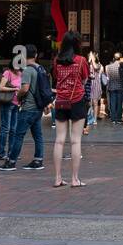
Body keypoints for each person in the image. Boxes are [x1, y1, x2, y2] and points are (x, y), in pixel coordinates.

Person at [0, 45, 49, 172]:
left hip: (28, 107)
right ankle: (38, 160)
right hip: (38, 107)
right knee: (38, 135)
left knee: (18, 135)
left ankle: (11, 161)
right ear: (36, 55)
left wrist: (19, 95)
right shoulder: (40, 68)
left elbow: (25, 88)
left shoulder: (27, 70)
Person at [51, 31, 89, 187]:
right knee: (75, 141)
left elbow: (55, 78)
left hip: (60, 101)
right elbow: (85, 79)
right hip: (77, 100)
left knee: (59, 140)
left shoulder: (57, 61)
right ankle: (75, 179)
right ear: (77, 44)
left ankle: (58, 178)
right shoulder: (81, 61)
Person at [0, 58, 23, 162]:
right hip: (8, 103)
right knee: (5, 128)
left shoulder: (20, 73)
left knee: (13, 129)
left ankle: (11, 153)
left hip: (16, 104)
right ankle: (1, 153)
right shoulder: (7, 73)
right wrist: (14, 89)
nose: (17, 67)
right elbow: (1, 87)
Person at [105, 52, 123, 123]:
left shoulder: (108, 66)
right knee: (119, 103)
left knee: (112, 103)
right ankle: (118, 118)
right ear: (120, 58)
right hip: (120, 86)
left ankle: (113, 118)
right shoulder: (121, 66)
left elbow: (108, 77)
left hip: (111, 86)